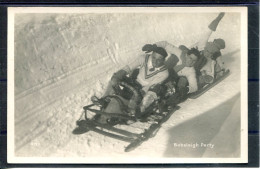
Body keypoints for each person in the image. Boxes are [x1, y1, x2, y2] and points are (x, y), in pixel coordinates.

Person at [92, 44, 169, 115]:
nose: (155, 61)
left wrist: (137, 96)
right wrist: (119, 75)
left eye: (159, 59)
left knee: (147, 95)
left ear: (163, 60)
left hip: (144, 89)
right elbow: (129, 67)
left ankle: (137, 109)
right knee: (115, 79)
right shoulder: (143, 58)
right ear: (151, 55)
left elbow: (149, 86)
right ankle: (105, 98)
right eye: (154, 57)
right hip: (135, 82)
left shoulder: (164, 73)